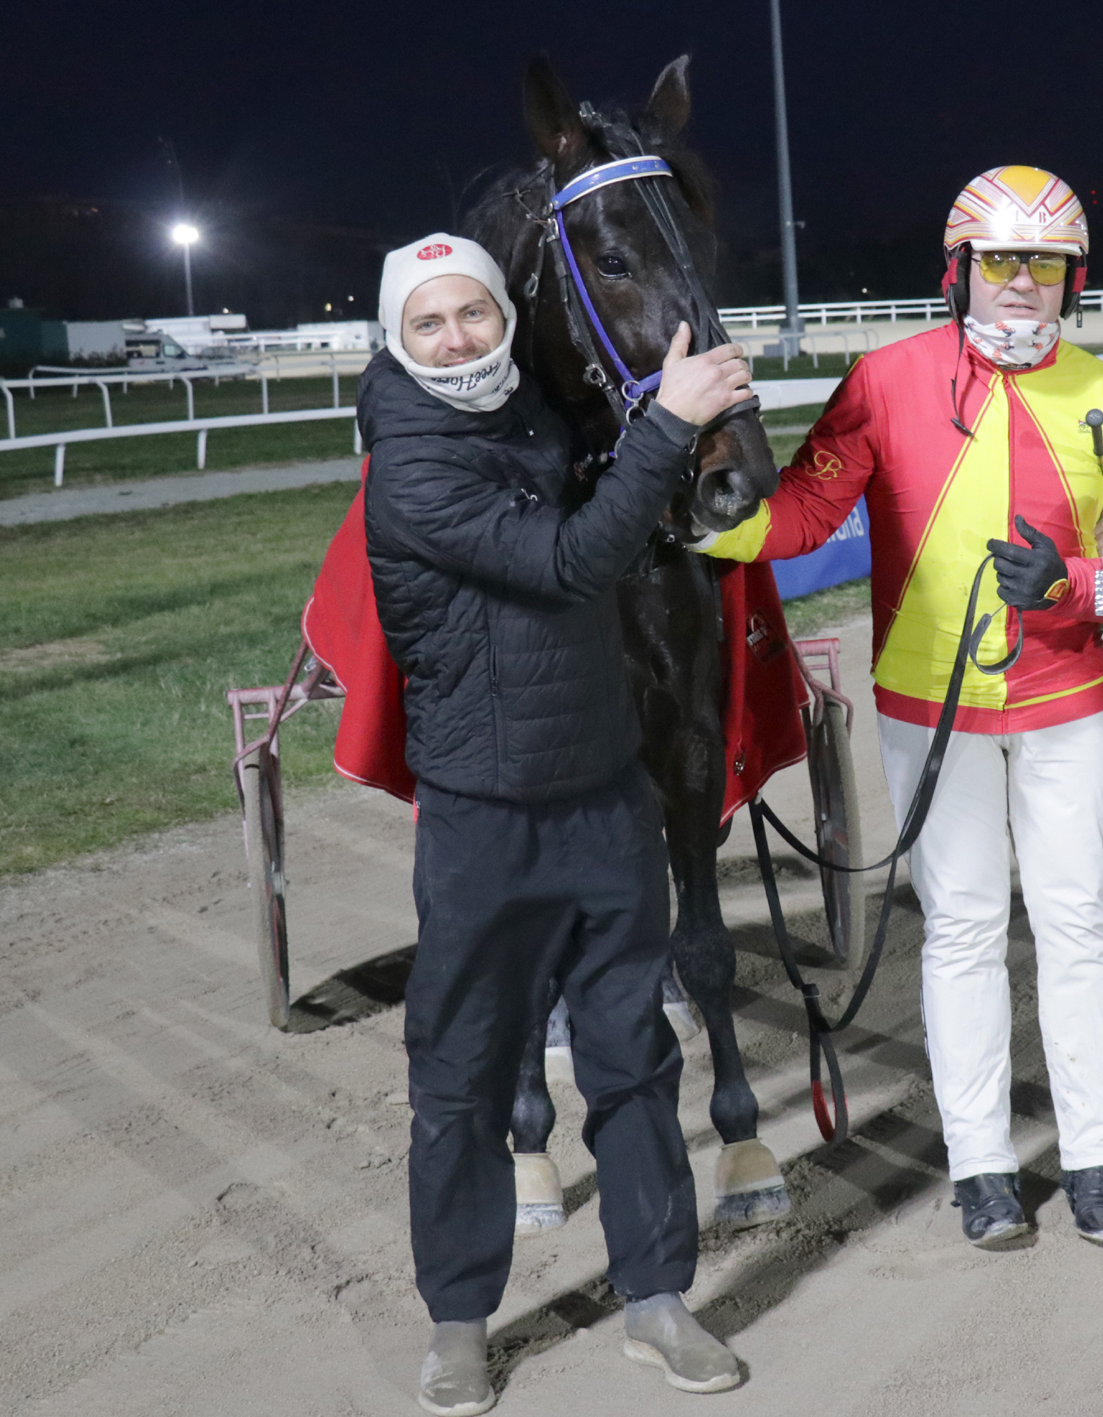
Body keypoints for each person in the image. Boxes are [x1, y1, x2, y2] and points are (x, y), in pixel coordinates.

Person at [694, 168, 1103, 1250]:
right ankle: (982, 1167)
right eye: (998, 262)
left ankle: (1096, 1158)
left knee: (1076, 925)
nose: (1019, 286)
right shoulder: (882, 378)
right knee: (957, 929)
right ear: (956, 271)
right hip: (927, 707)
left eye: (1042, 266)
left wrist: (1071, 587)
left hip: (1064, 702)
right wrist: (692, 529)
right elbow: (803, 514)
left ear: (1070, 282)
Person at [359, 233, 755, 1413]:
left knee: (634, 1056)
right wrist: (668, 426)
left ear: (499, 314)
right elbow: (574, 561)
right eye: (427, 324)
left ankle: (656, 1300)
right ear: (396, 339)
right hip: (483, 825)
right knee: (464, 1076)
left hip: (604, 801)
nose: (456, 339)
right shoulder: (412, 471)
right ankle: (460, 1320)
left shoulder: (533, 412)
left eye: (472, 313)